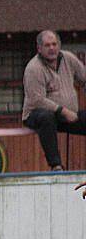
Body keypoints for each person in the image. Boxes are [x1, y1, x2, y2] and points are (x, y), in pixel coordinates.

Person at [22, 30, 86, 171]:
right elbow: (36, 100)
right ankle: (56, 166)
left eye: (54, 44)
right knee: (47, 117)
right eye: (47, 45)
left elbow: (84, 78)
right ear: (39, 48)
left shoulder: (69, 58)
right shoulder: (33, 68)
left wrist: (67, 113)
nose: (51, 48)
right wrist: (62, 111)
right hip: (36, 115)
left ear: (59, 45)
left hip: (69, 114)